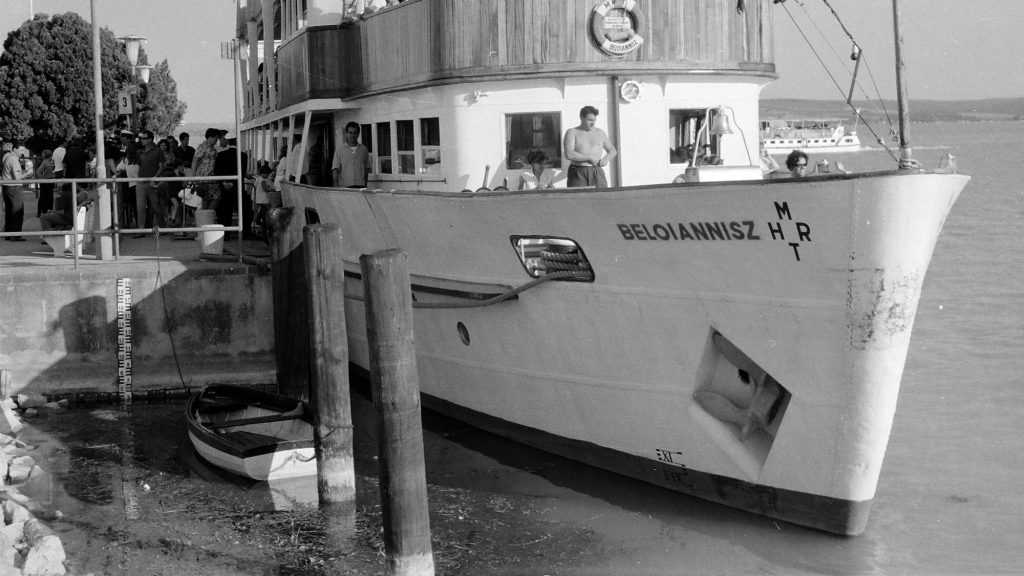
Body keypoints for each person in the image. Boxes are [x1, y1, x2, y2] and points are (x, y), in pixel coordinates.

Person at [563, 105, 616, 188]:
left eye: (594, 120)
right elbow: (569, 154)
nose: (593, 123)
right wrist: (589, 158)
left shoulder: (600, 133)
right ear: (581, 118)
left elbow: (612, 150)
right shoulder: (572, 132)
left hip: (596, 170)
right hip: (578, 171)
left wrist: (606, 159)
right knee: (578, 196)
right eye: (589, 120)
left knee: (601, 195)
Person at [135, 130, 164, 230]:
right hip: (140, 182)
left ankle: (162, 227)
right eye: (141, 138)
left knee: (156, 207)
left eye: (144, 138)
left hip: (152, 182)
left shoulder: (158, 151)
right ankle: (141, 230)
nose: (142, 140)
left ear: (150, 139)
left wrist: (155, 178)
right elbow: (138, 166)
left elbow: (161, 167)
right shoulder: (140, 152)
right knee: (140, 207)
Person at [331, 121, 370, 188]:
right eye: (350, 133)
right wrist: (336, 187)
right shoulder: (339, 150)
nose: (352, 135)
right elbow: (335, 170)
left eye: (355, 133)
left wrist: (365, 185)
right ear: (346, 133)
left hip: (360, 187)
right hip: (345, 187)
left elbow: (366, 169)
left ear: (358, 134)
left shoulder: (364, 150)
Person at [191, 128, 222, 209]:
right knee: (205, 199)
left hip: (211, 178)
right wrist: (193, 177)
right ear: (210, 137)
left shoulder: (214, 149)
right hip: (202, 178)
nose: (216, 140)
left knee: (215, 197)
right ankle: (205, 215)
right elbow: (195, 161)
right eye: (215, 138)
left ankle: (208, 213)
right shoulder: (202, 147)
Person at [1, 142, 26, 240]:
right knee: (17, 212)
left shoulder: (7, 157)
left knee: (9, 211)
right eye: (21, 150)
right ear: (14, 149)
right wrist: (28, 174)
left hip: (7, 187)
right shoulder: (13, 159)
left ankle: (8, 234)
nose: (22, 152)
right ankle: (15, 235)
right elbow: (17, 177)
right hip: (14, 187)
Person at [35, 149, 56, 217]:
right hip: (46, 182)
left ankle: (43, 212)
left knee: (47, 197)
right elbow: (38, 172)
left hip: (49, 181)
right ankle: (43, 212)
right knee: (45, 197)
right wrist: (43, 179)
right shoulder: (45, 162)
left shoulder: (50, 162)